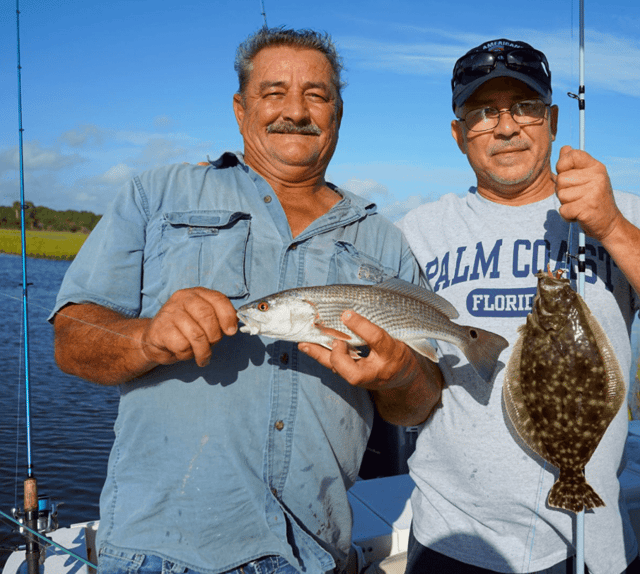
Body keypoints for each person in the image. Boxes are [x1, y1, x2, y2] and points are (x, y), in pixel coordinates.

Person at [50, 27, 442, 574]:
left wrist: (400, 375)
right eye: (273, 92)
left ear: (338, 111)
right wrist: (146, 339)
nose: (295, 111)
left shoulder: (385, 240)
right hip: (156, 554)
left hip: (313, 555)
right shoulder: (157, 194)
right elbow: (70, 338)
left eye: (317, 94)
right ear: (241, 108)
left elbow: (419, 403)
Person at [398, 39, 640, 574]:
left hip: (587, 541)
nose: (506, 127)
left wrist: (612, 227)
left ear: (552, 120)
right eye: (483, 112)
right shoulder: (419, 232)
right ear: (459, 134)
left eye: (525, 107)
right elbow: (407, 386)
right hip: (450, 536)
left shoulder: (617, 212)